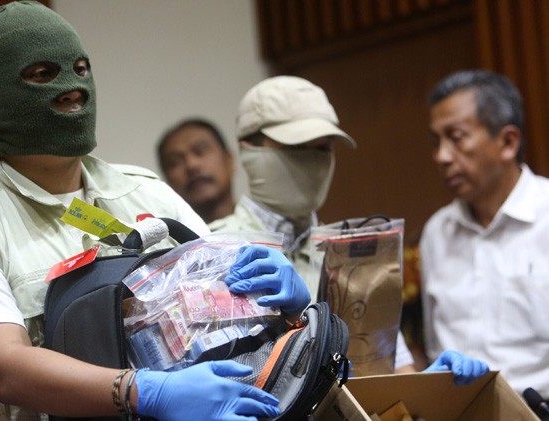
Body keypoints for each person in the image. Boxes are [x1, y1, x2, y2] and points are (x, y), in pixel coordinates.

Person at [0, 2, 309, 420]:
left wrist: (282, 303)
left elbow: (227, 307)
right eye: (43, 74)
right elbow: (5, 369)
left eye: (81, 69)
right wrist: (142, 391)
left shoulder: (147, 191)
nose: (73, 88)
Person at [211, 75, 489, 381]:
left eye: (323, 148)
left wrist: (429, 384)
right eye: (296, 147)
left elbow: (391, 376)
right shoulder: (212, 252)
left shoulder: (356, 257)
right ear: (249, 150)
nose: (312, 162)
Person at [421, 69, 549, 397]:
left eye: (456, 137)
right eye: (436, 142)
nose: (441, 157)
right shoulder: (436, 233)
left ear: (508, 142)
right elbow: (435, 347)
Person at [157, 118, 235, 223]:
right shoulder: (162, 234)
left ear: (229, 160)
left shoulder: (258, 223)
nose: (192, 165)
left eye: (200, 151)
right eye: (175, 162)